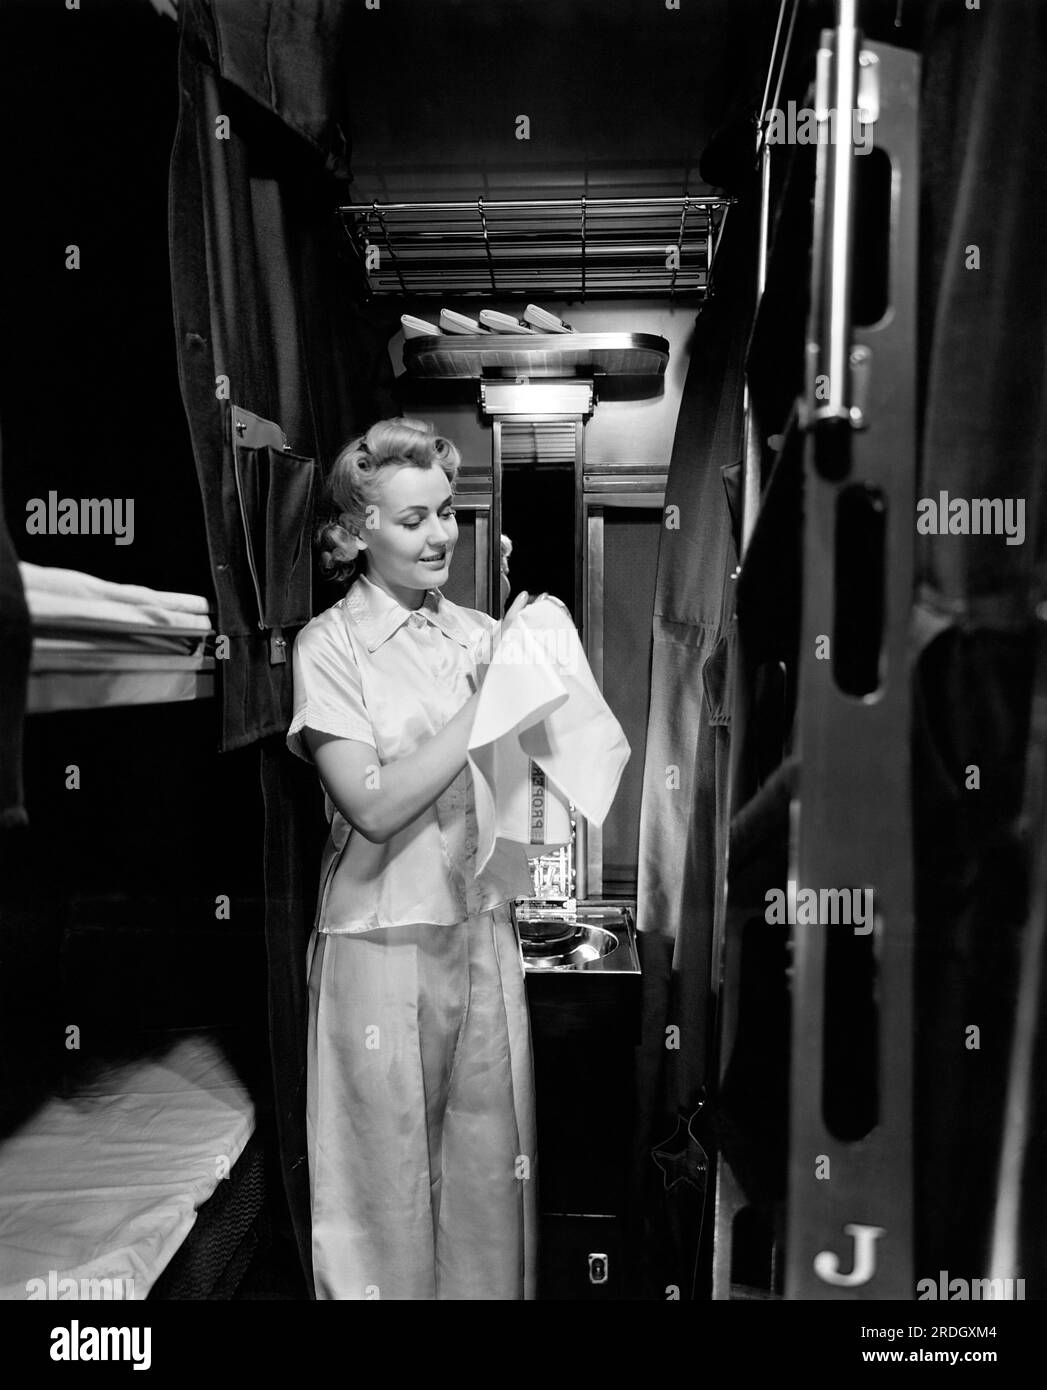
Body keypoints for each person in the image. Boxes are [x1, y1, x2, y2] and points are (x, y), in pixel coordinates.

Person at [285, 417, 538, 1300]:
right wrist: (485, 708)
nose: (438, 535)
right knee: (381, 1186)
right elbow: (375, 803)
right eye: (411, 519)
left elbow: (524, 780)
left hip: (477, 929)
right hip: (379, 942)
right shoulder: (330, 647)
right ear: (358, 534)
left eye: (446, 513)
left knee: (483, 1177)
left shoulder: (478, 635)